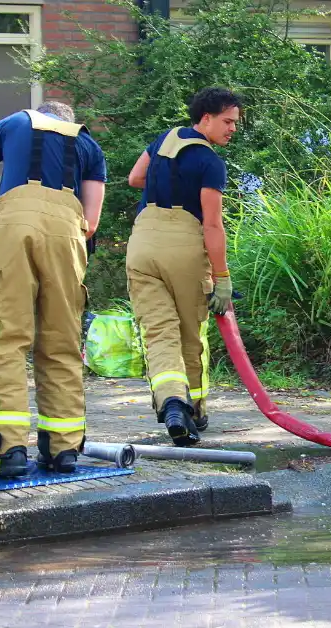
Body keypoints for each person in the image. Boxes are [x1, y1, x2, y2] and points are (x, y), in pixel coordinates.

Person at [0, 101, 107, 478]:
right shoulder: (89, 146)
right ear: (66, 123)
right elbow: (91, 222)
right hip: (68, 235)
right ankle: (62, 450)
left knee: (6, 337)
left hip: (14, 231)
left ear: (41, 114)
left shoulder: (13, 122)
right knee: (62, 342)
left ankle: (7, 449)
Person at [124, 87, 240, 446]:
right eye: (227, 121)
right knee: (191, 334)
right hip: (184, 246)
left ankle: (171, 402)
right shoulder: (210, 163)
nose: (233, 129)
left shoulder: (164, 139)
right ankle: (195, 409)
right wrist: (222, 278)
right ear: (206, 118)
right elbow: (212, 226)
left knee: (158, 332)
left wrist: (169, 186)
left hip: (142, 243)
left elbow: (135, 178)